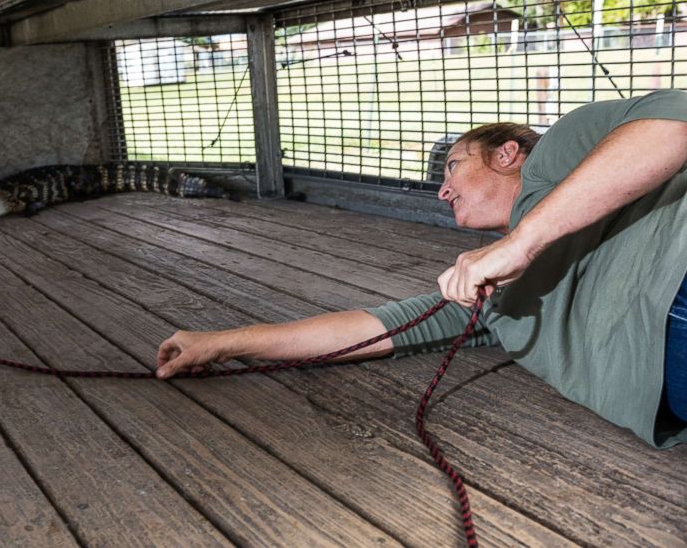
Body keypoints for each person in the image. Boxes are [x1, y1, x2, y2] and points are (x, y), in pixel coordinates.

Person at [156, 88, 687, 448]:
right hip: (663, 380)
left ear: (507, 154)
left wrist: (523, 241)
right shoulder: (491, 296)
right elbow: (372, 329)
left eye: (453, 164)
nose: (442, 188)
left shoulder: (558, 153)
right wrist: (222, 342)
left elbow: (675, 120)